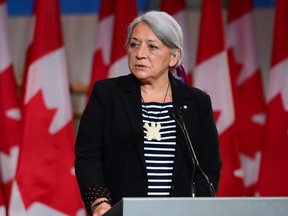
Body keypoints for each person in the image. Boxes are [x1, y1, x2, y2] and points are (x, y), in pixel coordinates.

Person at [75, 11, 222, 216]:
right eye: (134, 44)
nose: (140, 53)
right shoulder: (107, 95)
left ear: (173, 56)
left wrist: (196, 208)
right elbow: (87, 157)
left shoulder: (197, 103)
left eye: (152, 46)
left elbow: (208, 167)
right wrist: (99, 203)